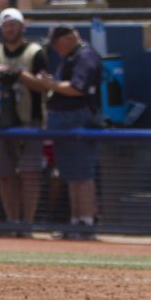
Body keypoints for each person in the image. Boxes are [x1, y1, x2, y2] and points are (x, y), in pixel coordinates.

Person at [0, 7, 50, 238]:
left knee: (29, 174)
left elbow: (44, 85)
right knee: (5, 175)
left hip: (29, 121)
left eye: (14, 24)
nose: (10, 28)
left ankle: (27, 223)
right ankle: (12, 220)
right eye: (6, 25)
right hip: (1, 122)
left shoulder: (36, 52)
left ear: (22, 26)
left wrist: (18, 74)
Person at [41, 25, 102, 240]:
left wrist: (52, 84)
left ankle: (85, 221)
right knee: (70, 175)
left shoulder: (85, 55)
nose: (56, 49)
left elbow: (78, 88)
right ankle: (76, 221)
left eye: (58, 43)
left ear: (69, 37)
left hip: (78, 120)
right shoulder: (71, 56)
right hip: (64, 122)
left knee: (83, 174)